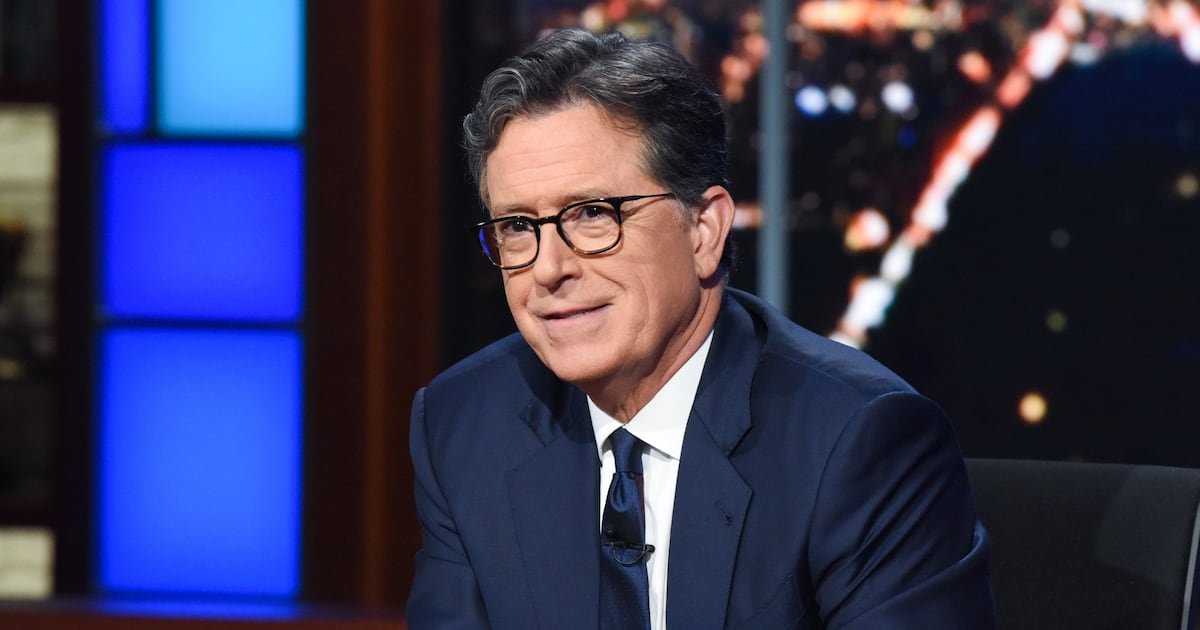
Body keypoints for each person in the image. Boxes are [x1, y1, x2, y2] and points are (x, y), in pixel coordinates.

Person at [407, 27, 995, 629]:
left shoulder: (858, 442)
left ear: (704, 231)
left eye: (592, 214)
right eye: (517, 226)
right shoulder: (464, 426)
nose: (549, 269)